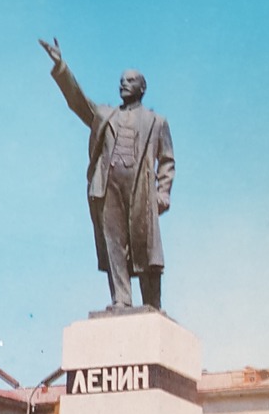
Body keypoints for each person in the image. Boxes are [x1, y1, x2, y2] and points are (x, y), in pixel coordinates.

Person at [39, 37, 175, 311]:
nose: (123, 83)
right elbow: (77, 101)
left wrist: (162, 192)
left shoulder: (156, 122)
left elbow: (167, 160)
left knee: (145, 247)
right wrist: (61, 66)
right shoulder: (105, 115)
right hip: (109, 187)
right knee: (114, 243)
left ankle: (152, 303)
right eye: (121, 80)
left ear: (142, 87)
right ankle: (121, 298)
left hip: (141, 190)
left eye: (130, 80)